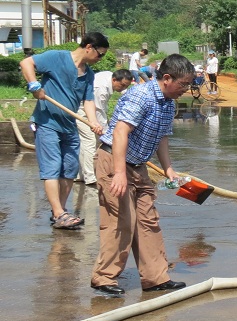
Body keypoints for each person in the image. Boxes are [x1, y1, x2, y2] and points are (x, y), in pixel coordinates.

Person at [90, 53, 195, 296]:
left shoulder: (168, 104)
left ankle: (155, 278)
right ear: (167, 78)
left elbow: (162, 138)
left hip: (138, 166)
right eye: (183, 84)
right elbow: (120, 133)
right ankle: (103, 278)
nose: (185, 90)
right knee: (121, 222)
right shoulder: (141, 95)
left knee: (148, 221)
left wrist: (169, 169)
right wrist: (118, 173)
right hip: (114, 162)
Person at [20, 32, 107, 229]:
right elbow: (26, 63)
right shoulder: (56, 57)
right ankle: (59, 213)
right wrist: (34, 85)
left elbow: (88, 100)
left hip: (69, 125)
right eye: (100, 54)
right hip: (47, 122)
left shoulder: (88, 74)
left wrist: (93, 122)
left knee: (69, 168)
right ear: (89, 47)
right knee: (52, 166)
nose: (99, 59)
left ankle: (59, 211)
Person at [76, 69, 133, 185]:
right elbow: (98, 111)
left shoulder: (110, 76)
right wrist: (108, 134)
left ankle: (80, 175)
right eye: (122, 85)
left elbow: (100, 111)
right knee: (89, 141)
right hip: (82, 110)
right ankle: (90, 176)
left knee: (89, 142)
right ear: (114, 80)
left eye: (126, 86)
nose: (123, 88)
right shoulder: (100, 89)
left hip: (93, 110)